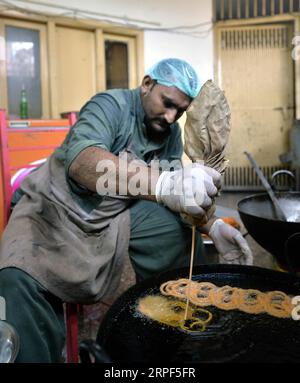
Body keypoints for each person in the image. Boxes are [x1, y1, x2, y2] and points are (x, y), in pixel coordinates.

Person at [0, 58, 252, 363]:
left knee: (175, 231)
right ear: (147, 85)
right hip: (56, 204)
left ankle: (176, 329)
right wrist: (163, 184)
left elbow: (175, 197)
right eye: (167, 103)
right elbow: (83, 163)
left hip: (114, 211)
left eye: (180, 111)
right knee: (17, 277)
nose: (172, 117)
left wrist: (210, 225)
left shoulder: (169, 132)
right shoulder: (110, 104)